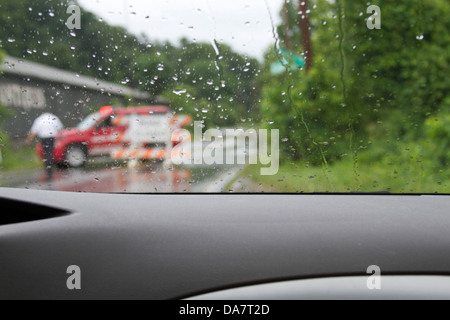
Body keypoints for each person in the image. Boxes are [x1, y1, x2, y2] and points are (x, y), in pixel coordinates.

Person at [26, 113, 64, 181]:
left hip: (43, 138)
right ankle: (49, 166)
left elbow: (34, 131)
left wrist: (29, 140)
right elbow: (60, 129)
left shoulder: (39, 119)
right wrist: (60, 138)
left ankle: (47, 166)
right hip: (51, 138)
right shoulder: (53, 118)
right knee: (50, 152)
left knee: (46, 152)